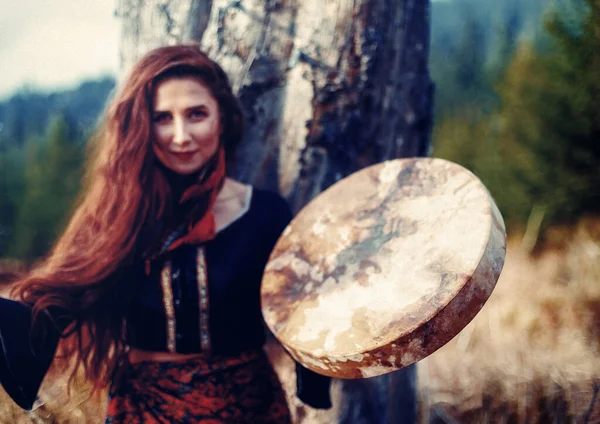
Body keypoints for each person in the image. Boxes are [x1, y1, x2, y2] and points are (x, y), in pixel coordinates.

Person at [0, 44, 331, 423]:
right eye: (162, 117)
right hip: (145, 407)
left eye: (196, 114)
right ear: (142, 126)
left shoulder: (265, 213)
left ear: (222, 118)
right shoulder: (119, 215)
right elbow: (57, 304)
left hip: (248, 405)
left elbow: (306, 315)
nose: (181, 135)